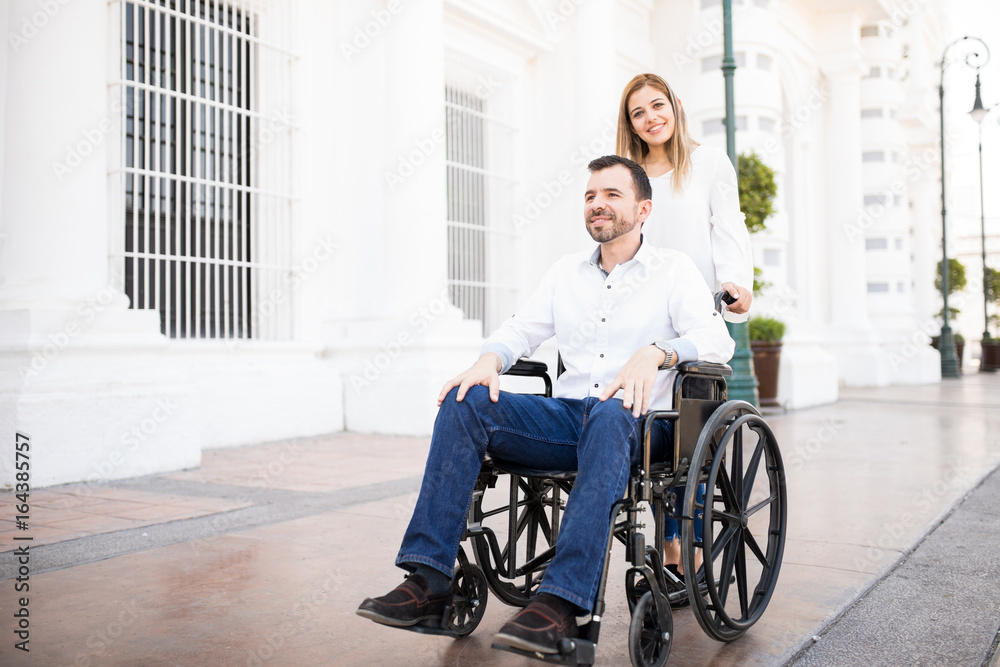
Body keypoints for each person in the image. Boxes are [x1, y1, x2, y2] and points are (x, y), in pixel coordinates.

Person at [356, 155, 734, 655]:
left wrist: (659, 352)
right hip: (571, 417)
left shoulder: (673, 270)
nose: (597, 204)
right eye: (590, 195)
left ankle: (562, 602)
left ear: (643, 210)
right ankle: (429, 580)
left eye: (612, 195)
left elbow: (716, 340)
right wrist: (489, 360)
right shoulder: (566, 273)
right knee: (466, 400)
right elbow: (520, 329)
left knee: (609, 411)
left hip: (645, 424)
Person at [616, 73, 756, 579]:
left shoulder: (709, 163)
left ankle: (686, 544)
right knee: (650, 431)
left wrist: (737, 283)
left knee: (687, 441)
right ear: (629, 123)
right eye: (638, 112)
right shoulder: (630, 175)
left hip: (695, 313)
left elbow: (728, 226)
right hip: (642, 313)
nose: (651, 117)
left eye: (658, 106)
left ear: (674, 106)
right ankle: (665, 541)